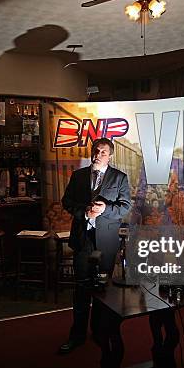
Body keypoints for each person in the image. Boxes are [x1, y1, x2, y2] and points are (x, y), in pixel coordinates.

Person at [59, 138, 131, 354]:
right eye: (96, 150)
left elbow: (125, 206)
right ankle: (77, 336)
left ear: (110, 155)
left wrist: (104, 209)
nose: (98, 154)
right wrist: (84, 212)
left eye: (103, 152)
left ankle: (99, 333)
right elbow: (67, 202)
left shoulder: (120, 177)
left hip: (106, 242)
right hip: (83, 240)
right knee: (81, 289)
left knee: (102, 289)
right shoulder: (78, 176)